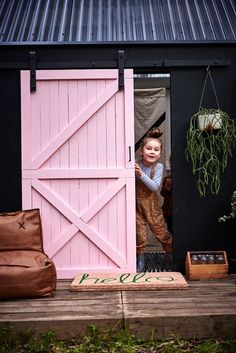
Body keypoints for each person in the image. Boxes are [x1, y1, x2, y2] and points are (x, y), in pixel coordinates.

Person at [135, 128, 172, 272]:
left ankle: (170, 255)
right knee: (140, 233)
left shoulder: (159, 167)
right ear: (141, 151)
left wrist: (140, 175)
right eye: (148, 148)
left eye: (156, 150)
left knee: (161, 231)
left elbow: (154, 186)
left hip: (152, 205)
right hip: (136, 205)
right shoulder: (136, 164)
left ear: (160, 154)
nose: (152, 152)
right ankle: (141, 260)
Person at [160, 155, 173, 233]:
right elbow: (163, 193)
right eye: (171, 163)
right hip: (169, 211)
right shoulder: (168, 178)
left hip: (180, 211)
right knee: (171, 229)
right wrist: (167, 186)